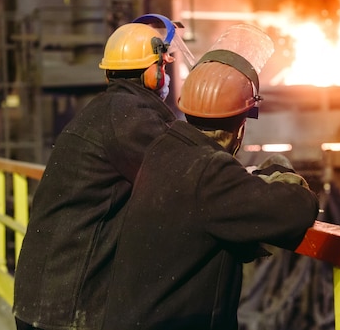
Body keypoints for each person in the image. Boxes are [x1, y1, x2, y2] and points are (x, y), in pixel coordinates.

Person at [101, 24, 320, 330]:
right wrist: (281, 170)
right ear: (241, 127)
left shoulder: (164, 151)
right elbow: (296, 210)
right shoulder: (210, 174)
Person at [13, 14, 193, 330]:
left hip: (45, 298)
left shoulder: (108, 110)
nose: (164, 74)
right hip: (67, 307)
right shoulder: (131, 118)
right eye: (162, 66)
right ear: (151, 74)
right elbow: (188, 176)